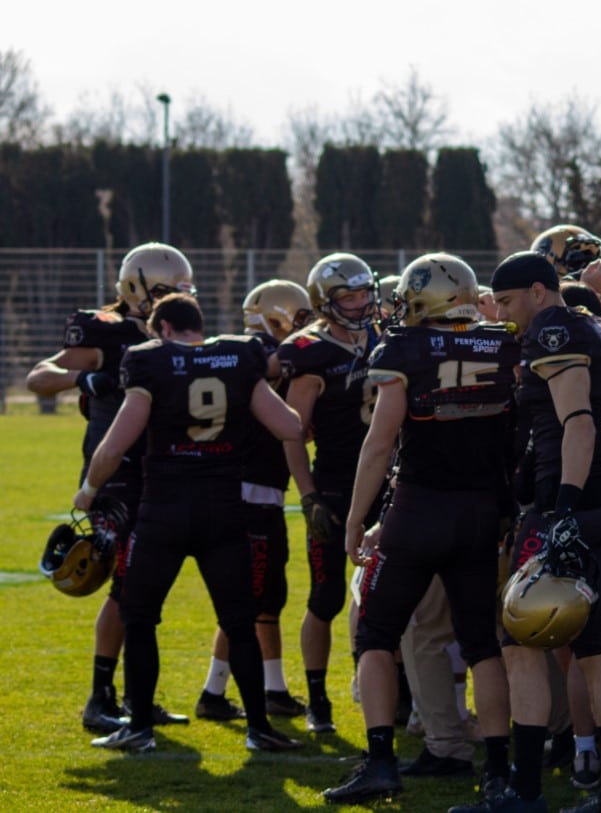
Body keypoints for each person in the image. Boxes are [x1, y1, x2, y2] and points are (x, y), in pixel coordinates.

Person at [322, 254, 519, 804]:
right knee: (482, 643)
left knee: (376, 636)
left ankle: (380, 762)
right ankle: (499, 771)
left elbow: (380, 442)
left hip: (418, 509)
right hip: (482, 513)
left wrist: (359, 518)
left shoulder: (403, 349)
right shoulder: (504, 342)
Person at [73, 293, 303, 753]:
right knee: (239, 622)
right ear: (198, 324)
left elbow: (114, 446)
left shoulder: (148, 362)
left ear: (162, 329)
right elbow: (290, 427)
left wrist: (88, 491)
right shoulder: (239, 355)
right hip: (224, 508)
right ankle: (258, 727)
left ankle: (139, 726)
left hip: (164, 510)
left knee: (139, 618)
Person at [455, 251, 601, 813]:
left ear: (539, 291)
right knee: (599, 651)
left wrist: (562, 510)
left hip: (569, 502)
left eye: (508, 301)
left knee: (519, 642)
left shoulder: (554, 329)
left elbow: (578, 421)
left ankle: (525, 791)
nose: (505, 314)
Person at [26, 242, 194, 732]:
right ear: (136, 288)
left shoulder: (174, 331)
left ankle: (137, 694)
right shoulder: (108, 331)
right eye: (165, 292)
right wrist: (85, 378)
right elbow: (39, 376)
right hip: (116, 474)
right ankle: (100, 698)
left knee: (147, 591)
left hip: (163, 471)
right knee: (126, 588)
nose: (174, 301)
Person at [196, 279, 314, 721]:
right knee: (249, 597)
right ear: (276, 316)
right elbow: (267, 367)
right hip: (247, 493)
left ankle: (271, 688)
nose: (307, 329)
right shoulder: (251, 352)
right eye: (301, 319)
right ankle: (218, 692)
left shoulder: (267, 356)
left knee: (265, 597)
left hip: (260, 492)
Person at [277, 252, 381, 734]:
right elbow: (292, 431)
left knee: (390, 594)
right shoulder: (308, 352)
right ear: (326, 302)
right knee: (326, 596)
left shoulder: (386, 337)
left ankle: (394, 693)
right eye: (349, 296)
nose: (361, 304)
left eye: (364, 293)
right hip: (336, 487)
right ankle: (318, 697)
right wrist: (308, 495)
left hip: (386, 485)